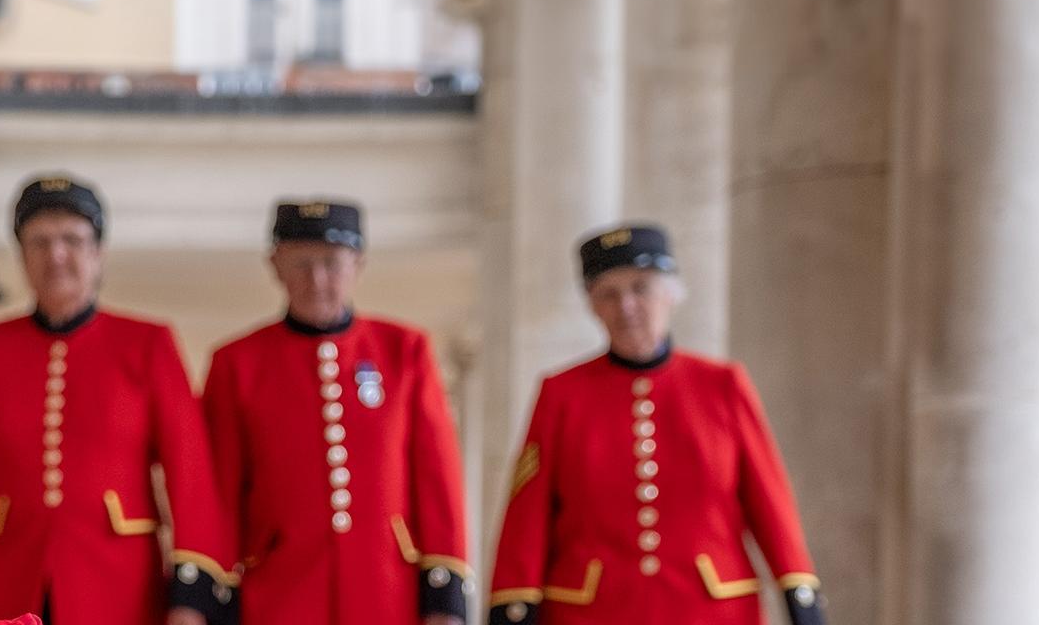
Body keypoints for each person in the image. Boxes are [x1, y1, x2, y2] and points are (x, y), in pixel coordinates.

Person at [0, 175, 236, 625]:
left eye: (72, 239)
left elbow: (191, 473)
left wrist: (190, 594)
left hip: (118, 582)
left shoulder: (147, 345)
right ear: (22, 254)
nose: (56, 255)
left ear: (98, 253)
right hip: (1, 578)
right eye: (40, 241)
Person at [484, 224, 827, 624]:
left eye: (641, 287)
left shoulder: (723, 385)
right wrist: (513, 603)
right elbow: (529, 510)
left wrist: (798, 589)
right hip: (592, 611)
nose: (626, 306)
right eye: (608, 294)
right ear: (592, 306)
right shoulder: (561, 394)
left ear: (673, 292)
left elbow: (769, 497)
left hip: (711, 609)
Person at [202, 200, 470, 625]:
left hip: (387, 591)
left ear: (359, 264)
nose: (317, 279)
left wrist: (446, 598)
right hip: (276, 593)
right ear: (275, 265)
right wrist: (209, 593)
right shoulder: (237, 363)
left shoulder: (405, 351)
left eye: (332, 262)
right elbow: (218, 490)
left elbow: (438, 480)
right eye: (302, 263)